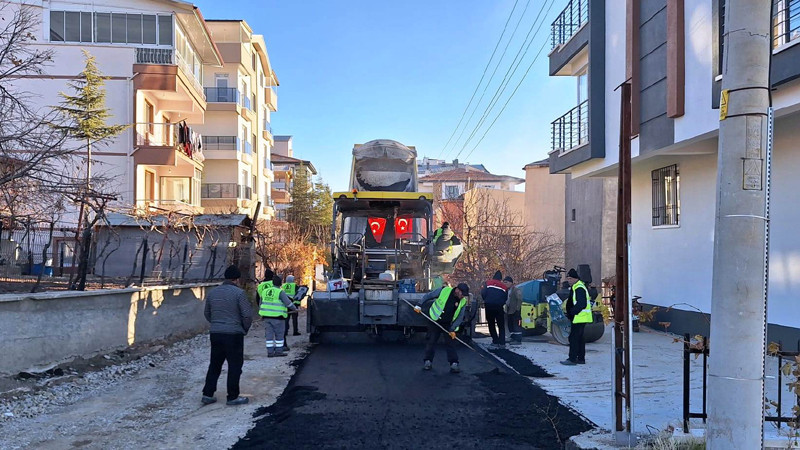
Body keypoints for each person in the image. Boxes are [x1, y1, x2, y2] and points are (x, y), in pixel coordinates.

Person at [202, 265, 252, 406]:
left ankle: (207, 394)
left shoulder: (213, 293)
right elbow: (247, 315)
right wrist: (244, 329)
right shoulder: (239, 294)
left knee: (215, 364)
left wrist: (217, 324)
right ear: (237, 279)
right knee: (235, 365)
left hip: (216, 333)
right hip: (234, 334)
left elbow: (207, 313)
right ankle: (233, 397)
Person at [413, 282, 470, 373]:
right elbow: (428, 296)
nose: (463, 296)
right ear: (457, 290)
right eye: (462, 294)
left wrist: (453, 329)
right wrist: (419, 305)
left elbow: (460, 317)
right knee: (431, 341)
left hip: (448, 324)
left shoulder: (462, 302)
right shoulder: (444, 290)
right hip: (434, 320)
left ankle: (454, 363)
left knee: (450, 343)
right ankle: (428, 361)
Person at [259, 274, 297, 357]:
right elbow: (288, 303)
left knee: (269, 335)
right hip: (278, 318)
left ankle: (270, 352)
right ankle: (279, 351)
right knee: (279, 335)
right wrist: (295, 309)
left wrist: (262, 314)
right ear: (280, 284)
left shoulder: (264, 291)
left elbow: (261, 304)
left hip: (266, 317)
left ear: (272, 283)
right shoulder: (280, 292)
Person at [561, 268, 593, 365]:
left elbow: (581, 304)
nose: (568, 280)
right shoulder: (577, 287)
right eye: (568, 278)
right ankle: (580, 358)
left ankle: (572, 359)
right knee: (579, 338)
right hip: (579, 317)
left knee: (574, 338)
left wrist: (572, 312)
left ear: (575, 278)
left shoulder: (579, 288)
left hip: (579, 317)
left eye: (570, 278)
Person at [481, 270, 508, 348]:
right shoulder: (504, 287)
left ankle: (495, 341)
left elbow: (483, 293)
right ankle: (502, 343)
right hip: (499, 307)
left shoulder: (487, 283)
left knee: (491, 324)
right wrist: (501, 303)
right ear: (500, 278)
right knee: (501, 325)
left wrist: (486, 300)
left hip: (489, 305)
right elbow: (505, 297)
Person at [503, 276, 523, 346]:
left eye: (506, 282)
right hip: (509, 310)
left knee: (516, 325)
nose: (505, 284)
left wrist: (517, 309)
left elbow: (519, 299)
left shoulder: (516, 290)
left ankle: (518, 340)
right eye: (504, 282)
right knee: (510, 325)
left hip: (515, 311)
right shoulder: (507, 291)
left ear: (511, 283)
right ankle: (512, 338)